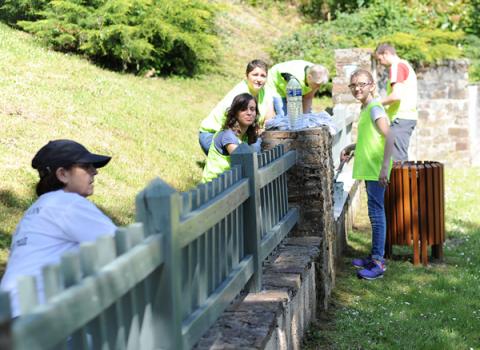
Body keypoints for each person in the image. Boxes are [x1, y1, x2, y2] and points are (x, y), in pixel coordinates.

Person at [0, 139, 117, 317]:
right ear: (62, 174)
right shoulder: (67, 203)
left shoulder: (34, 212)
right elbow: (122, 245)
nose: (95, 171)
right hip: (39, 318)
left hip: (10, 317)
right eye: (86, 167)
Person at [340, 69, 394, 280]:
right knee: (374, 213)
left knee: (377, 215)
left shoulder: (374, 109)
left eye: (362, 84)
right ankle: (374, 257)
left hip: (376, 170)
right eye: (353, 85)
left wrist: (383, 169)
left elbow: (389, 137)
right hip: (370, 168)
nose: (357, 88)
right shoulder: (365, 108)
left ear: (372, 85)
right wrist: (353, 147)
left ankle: (378, 263)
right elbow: (371, 139)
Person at [199, 59, 274, 155]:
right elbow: (233, 126)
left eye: (263, 76)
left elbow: (270, 119)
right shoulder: (241, 94)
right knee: (254, 148)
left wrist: (263, 129)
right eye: (255, 75)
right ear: (246, 76)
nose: (259, 79)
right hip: (213, 135)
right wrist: (257, 131)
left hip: (241, 135)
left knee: (262, 144)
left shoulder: (264, 91)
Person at [202, 93, 258, 183]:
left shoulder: (245, 137)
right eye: (243, 109)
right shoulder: (228, 136)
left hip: (229, 185)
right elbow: (243, 161)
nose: (249, 113)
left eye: (252, 109)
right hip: (213, 187)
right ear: (235, 113)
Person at [375, 43, 418, 161]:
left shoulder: (397, 66)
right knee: (398, 158)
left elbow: (396, 96)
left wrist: (376, 104)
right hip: (406, 117)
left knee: (397, 160)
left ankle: (404, 180)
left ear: (386, 54)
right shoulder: (405, 65)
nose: (380, 63)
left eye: (379, 59)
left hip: (401, 118)